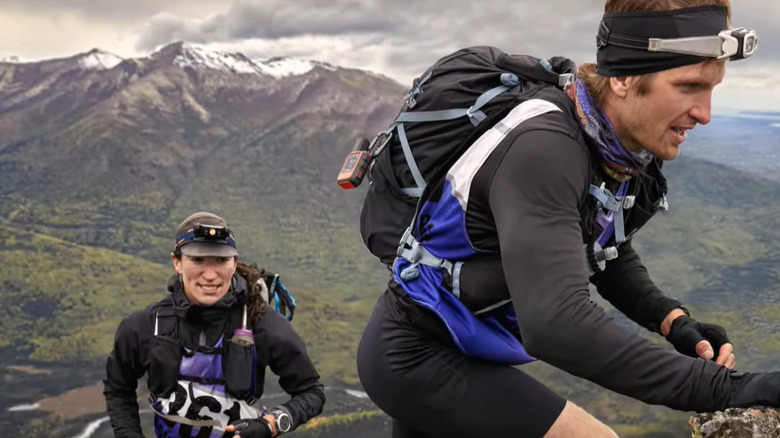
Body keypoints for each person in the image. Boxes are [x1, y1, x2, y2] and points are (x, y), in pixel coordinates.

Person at [356, 1, 778, 437]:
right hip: (417, 355)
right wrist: (729, 389)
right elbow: (557, 323)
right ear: (625, 78)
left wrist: (672, 320)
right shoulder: (545, 150)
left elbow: (601, 248)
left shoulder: (612, 143)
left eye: (712, 88)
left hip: (464, 347)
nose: (704, 113)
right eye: (688, 86)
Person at [104, 212, 324, 438]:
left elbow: (312, 392)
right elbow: (118, 388)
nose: (210, 275)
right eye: (197, 260)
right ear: (177, 262)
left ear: (234, 263)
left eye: (221, 260)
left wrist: (270, 425)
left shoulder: (262, 325)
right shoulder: (144, 325)